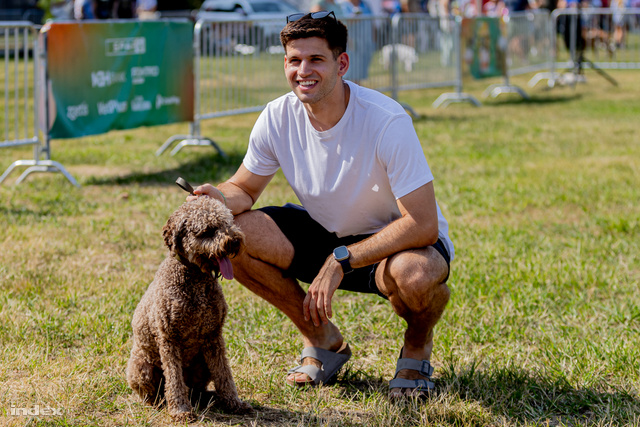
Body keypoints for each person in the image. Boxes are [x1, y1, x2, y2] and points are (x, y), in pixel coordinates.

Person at [188, 11, 453, 398]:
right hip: (328, 234)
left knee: (417, 276)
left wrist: (341, 259)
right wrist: (219, 197)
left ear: (341, 63)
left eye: (316, 59)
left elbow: (423, 224)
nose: (303, 71)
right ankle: (322, 340)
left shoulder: (386, 120)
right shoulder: (278, 115)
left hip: (397, 246)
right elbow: (243, 189)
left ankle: (416, 349)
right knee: (235, 235)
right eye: (294, 60)